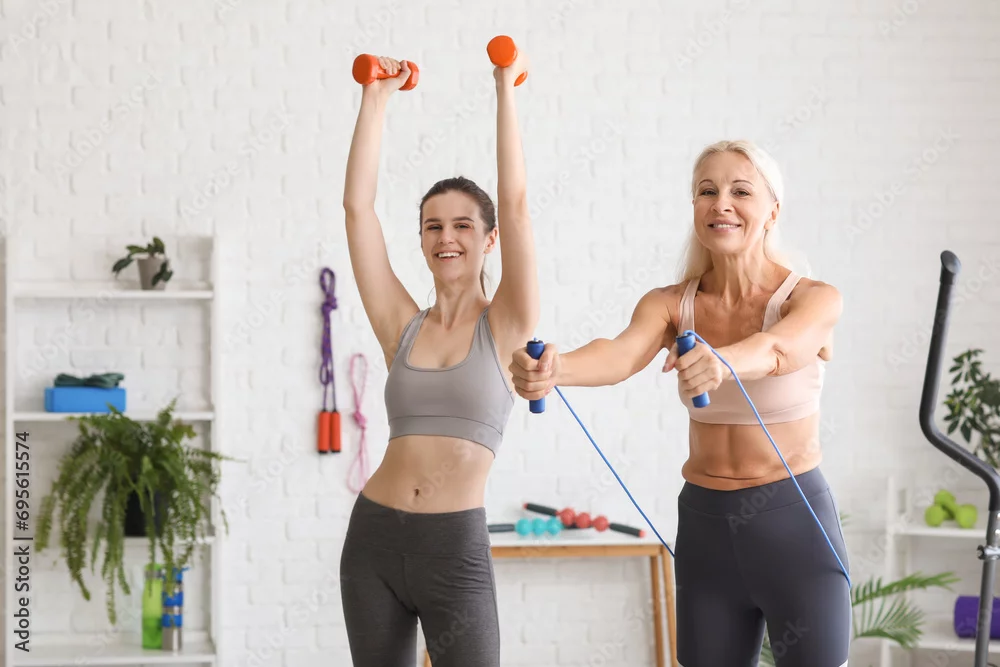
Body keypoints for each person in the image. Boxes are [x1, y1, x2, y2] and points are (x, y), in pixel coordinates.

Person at [508, 140, 851, 667]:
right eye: (707, 191)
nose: (721, 203)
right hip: (706, 528)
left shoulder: (812, 298)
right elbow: (620, 354)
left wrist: (723, 362)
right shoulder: (671, 305)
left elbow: (780, 349)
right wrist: (555, 369)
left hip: (794, 525)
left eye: (741, 191)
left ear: (772, 210)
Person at [338, 51, 537, 667]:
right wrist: (375, 99)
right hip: (373, 541)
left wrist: (505, 87)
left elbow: (517, 203)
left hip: (453, 548)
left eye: (462, 226)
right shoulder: (401, 326)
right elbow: (357, 211)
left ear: (489, 238)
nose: (446, 237)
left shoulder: (507, 323)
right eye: (432, 227)